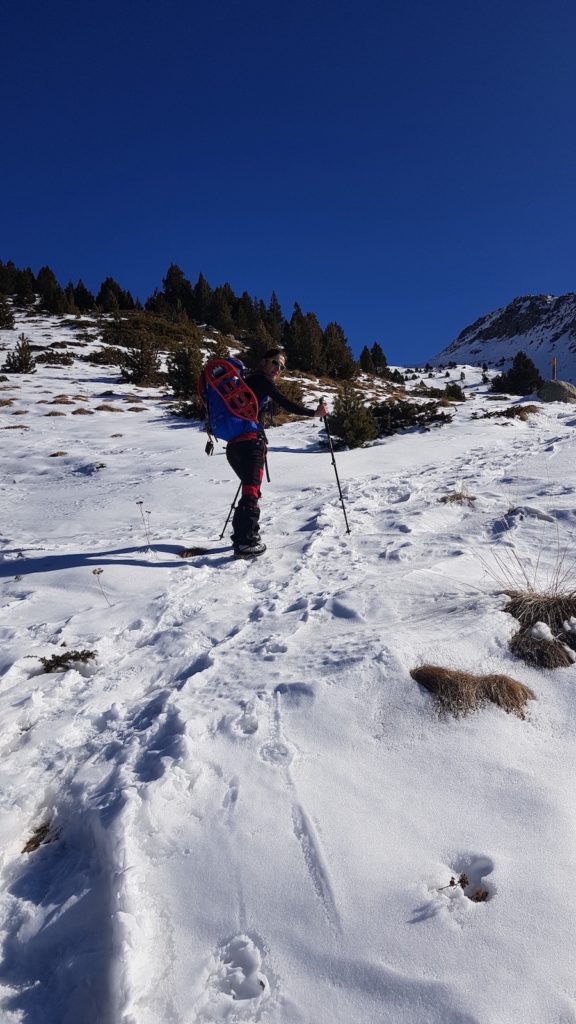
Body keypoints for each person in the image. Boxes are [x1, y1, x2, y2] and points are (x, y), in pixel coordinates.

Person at [226, 348, 328, 559]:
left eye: (281, 367)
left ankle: (243, 536)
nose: (278, 369)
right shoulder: (261, 380)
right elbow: (284, 402)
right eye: (275, 363)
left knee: (249, 491)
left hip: (235, 445)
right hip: (250, 444)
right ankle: (245, 543)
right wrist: (313, 413)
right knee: (251, 493)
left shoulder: (249, 381)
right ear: (263, 362)